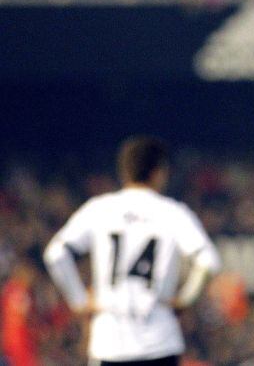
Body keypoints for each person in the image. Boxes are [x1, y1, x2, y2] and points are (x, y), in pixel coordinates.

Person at [43, 136, 221, 365]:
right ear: (159, 172)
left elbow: (56, 254)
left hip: (110, 339)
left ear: (124, 171)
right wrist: (185, 300)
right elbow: (209, 261)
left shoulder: (100, 209)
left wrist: (78, 300)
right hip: (160, 337)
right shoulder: (173, 212)